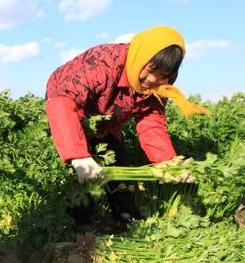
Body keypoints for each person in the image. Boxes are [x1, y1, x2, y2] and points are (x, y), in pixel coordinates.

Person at [45, 25, 209, 224]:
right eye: (151, 70)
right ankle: (78, 226)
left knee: (118, 166)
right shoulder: (103, 62)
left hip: (109, 117)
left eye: (163, 74)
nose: (153, 80)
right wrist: (78, 156)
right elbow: (62, 101)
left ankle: (127, 222)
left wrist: (168, 162)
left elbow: (151, 122)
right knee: (82, 179)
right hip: (72, 109)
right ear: (141, 57)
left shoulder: (160, 86)